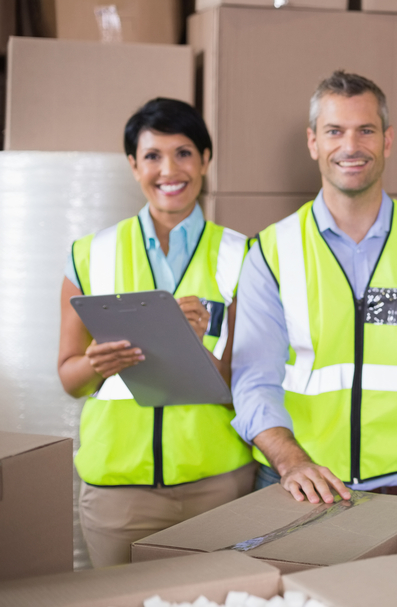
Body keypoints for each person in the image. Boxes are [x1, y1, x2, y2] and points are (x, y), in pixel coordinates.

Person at [231, 70, 397, 504]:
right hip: (296, 484)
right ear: (313, 142)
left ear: (387, 140)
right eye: (335, 131)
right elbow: (254, 381)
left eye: (365, 130)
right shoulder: (271, 252)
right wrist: (292, 461)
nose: (350, 147)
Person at [57, 98, 255, 567]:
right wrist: (95, 364)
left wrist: (191, 347)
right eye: (152, 156)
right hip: (117, 492)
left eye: (184, 152)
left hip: (217, 485)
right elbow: (70, 379)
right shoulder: (90, 254)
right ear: (133, 165)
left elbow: (247, 388)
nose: (170, 169)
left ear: (206, 160)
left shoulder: (244, 255)